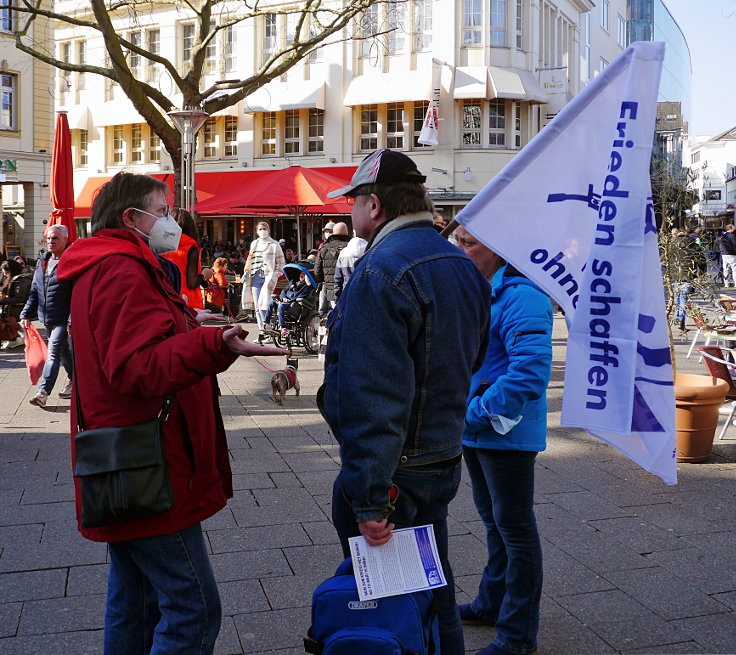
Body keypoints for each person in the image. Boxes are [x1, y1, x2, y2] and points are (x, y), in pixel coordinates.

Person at [55, 171, 288, 655]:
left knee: (135, 602)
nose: (171, 222)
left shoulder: (118, 264)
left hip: (130, 459)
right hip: (151, 464)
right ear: (131, 218)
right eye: (162, 212)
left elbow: (133, 338)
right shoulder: (121, 270)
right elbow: (137, 368)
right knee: (193, 608)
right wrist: (210, 342)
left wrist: (188, 320)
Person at [320, 149, 491, 655]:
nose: (348, 212)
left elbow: (373, 395)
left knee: (388, 610)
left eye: (353, 201)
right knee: (433, 591)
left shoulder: (381, 268)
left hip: (394, 473)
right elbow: (473, 354)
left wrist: (370, 496)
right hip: (439, 456)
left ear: (374, 205)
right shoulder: (460, 262)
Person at [454, 226, 553, 655]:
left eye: (468, 242)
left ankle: (516, 636)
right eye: (456, 239)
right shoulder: (481, 288)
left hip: (503, 434)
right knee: (495, 525)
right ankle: (491, 604)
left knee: (515, 531)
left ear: (499, 249)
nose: (458, 248)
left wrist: (473, 413)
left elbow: (529, 374)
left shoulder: (523, 295)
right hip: (477, 431)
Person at [20, 224, 73, 407]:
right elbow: (34, 291)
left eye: (55, 238)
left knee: (53, 353)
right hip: (47, 318)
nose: (50, 242)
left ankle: (43, 392)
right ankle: (78, 381)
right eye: (49, 238)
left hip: (62, 319)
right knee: (64, 352)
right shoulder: (43, 262)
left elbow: (77, 293)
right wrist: (26, 313)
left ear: (65, 240)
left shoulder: (71, 262)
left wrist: (70, 320)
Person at [241, 221, 285, 331]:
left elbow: (281, 262)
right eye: (260, 229)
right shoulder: (254, 243)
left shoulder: (274, 244)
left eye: (264, 229)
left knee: (264, 304)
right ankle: (262, 331)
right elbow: (250, 260)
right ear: (256, 231)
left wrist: (275, 274)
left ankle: (268, 329)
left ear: (268, 230)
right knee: (257, 306)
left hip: (268, 277)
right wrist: (247, 272)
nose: (262, 231)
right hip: (255, 276)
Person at [161, 208, 204, 311]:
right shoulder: (190, 247)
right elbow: (192, 282)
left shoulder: (158, 245)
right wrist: (204, 276)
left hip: (164, 299)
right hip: (187, 302)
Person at [313, 222, 350, 314]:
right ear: (347, 233)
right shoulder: (351, 246)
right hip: (349, 288)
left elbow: (317, 271)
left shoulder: (325, 248)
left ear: (333, 233)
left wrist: (324, 281)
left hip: (330, 288)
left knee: (335, 312)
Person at [263, 271, 313, 337]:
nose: (301, 275)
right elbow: (283, 291)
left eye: (304, 274)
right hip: (285, 301)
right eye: (301, 273)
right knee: (271, 303)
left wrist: (287, 301)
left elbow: (301, 297)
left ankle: (283, 327)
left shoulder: (307, 287)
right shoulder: (294, 283)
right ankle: (266, 323)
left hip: (295, 305)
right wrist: (282, 298)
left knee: (281, 306)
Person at [0, 259, 33, 349]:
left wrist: (2, 299)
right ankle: (18, 338)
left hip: (19, 308)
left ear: (11, 270)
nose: (5, 275)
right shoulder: (17, 278)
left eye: (6, 272)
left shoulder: (21, 279)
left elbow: (19, 298)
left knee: (12, 323)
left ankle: (18, 338)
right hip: (15, 307)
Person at [333, 232, 367, 300]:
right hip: (366, 293)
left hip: (347, 292)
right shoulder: (371, 251)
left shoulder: (343, 252)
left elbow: (338, 278)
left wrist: (337, 297)